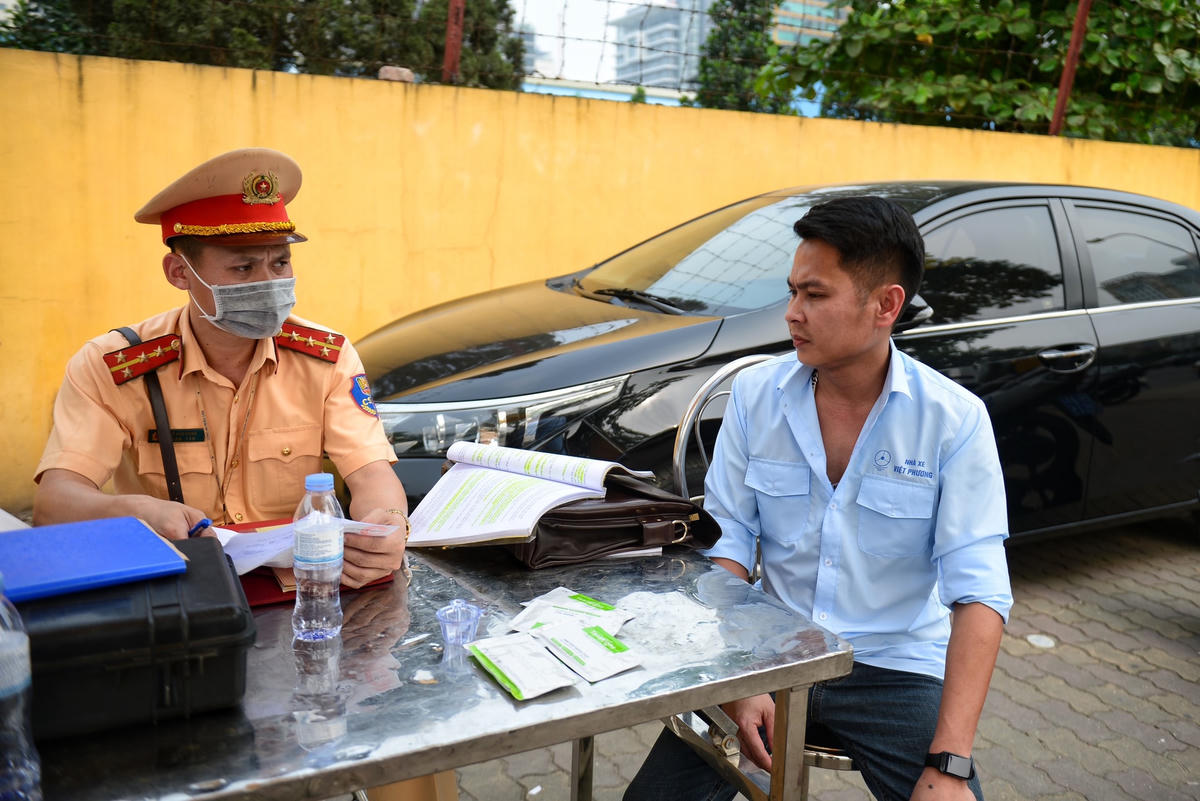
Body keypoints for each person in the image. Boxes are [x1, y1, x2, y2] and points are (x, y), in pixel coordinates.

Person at [624, 197, 1013, 801]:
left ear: (885, 305)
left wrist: (951, 761)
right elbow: (725, 543)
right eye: (792, 292)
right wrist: (738, 671)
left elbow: (981, 592)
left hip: (893, 669)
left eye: (815, 295)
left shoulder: (953, 421)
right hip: (768, 649)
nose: (791, 314)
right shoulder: (757, 396)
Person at [33, 148, 408, 588]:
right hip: (179, 591)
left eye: (280, 262)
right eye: (244, 266)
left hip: (302, 591)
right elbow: (54, 504)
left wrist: (389, 524)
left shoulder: (326, 357)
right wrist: (136, 512)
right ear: (179, 272)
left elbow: (372, 476)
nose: (269, 283)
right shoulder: (112, 366)